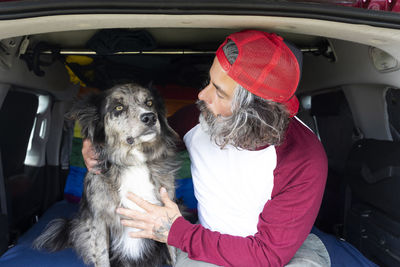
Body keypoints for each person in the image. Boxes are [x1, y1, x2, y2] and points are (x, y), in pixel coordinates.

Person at [82, 30, 328, 266]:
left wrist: (175, 231)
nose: (202, 95)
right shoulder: (195, 119)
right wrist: (96, 144)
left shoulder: (304, 158)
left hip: (281, 255)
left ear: (254, 112)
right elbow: (139, 141)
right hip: (205, 243)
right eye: (209, 81)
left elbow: (268, 255)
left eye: (219, 93)